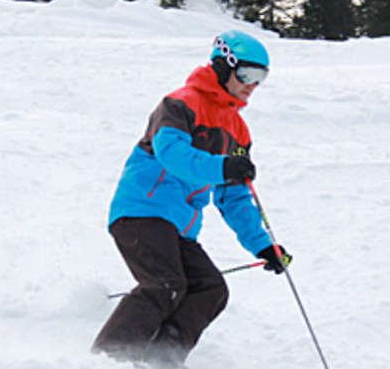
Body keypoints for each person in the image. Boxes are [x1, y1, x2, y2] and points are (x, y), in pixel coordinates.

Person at [92, 30, 292, 367]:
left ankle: (160, 357)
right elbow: (172, 154)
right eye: (246, 74)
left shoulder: (238, 131)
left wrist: (262, 246)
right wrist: (222, 165)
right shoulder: (180, 104)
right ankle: (109, 358)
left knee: (210, 289)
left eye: (261, 78)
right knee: (165, 284)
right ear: (222, 65)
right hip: (142, 211)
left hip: (180, 227)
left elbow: (235, 197)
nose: (252, 85)